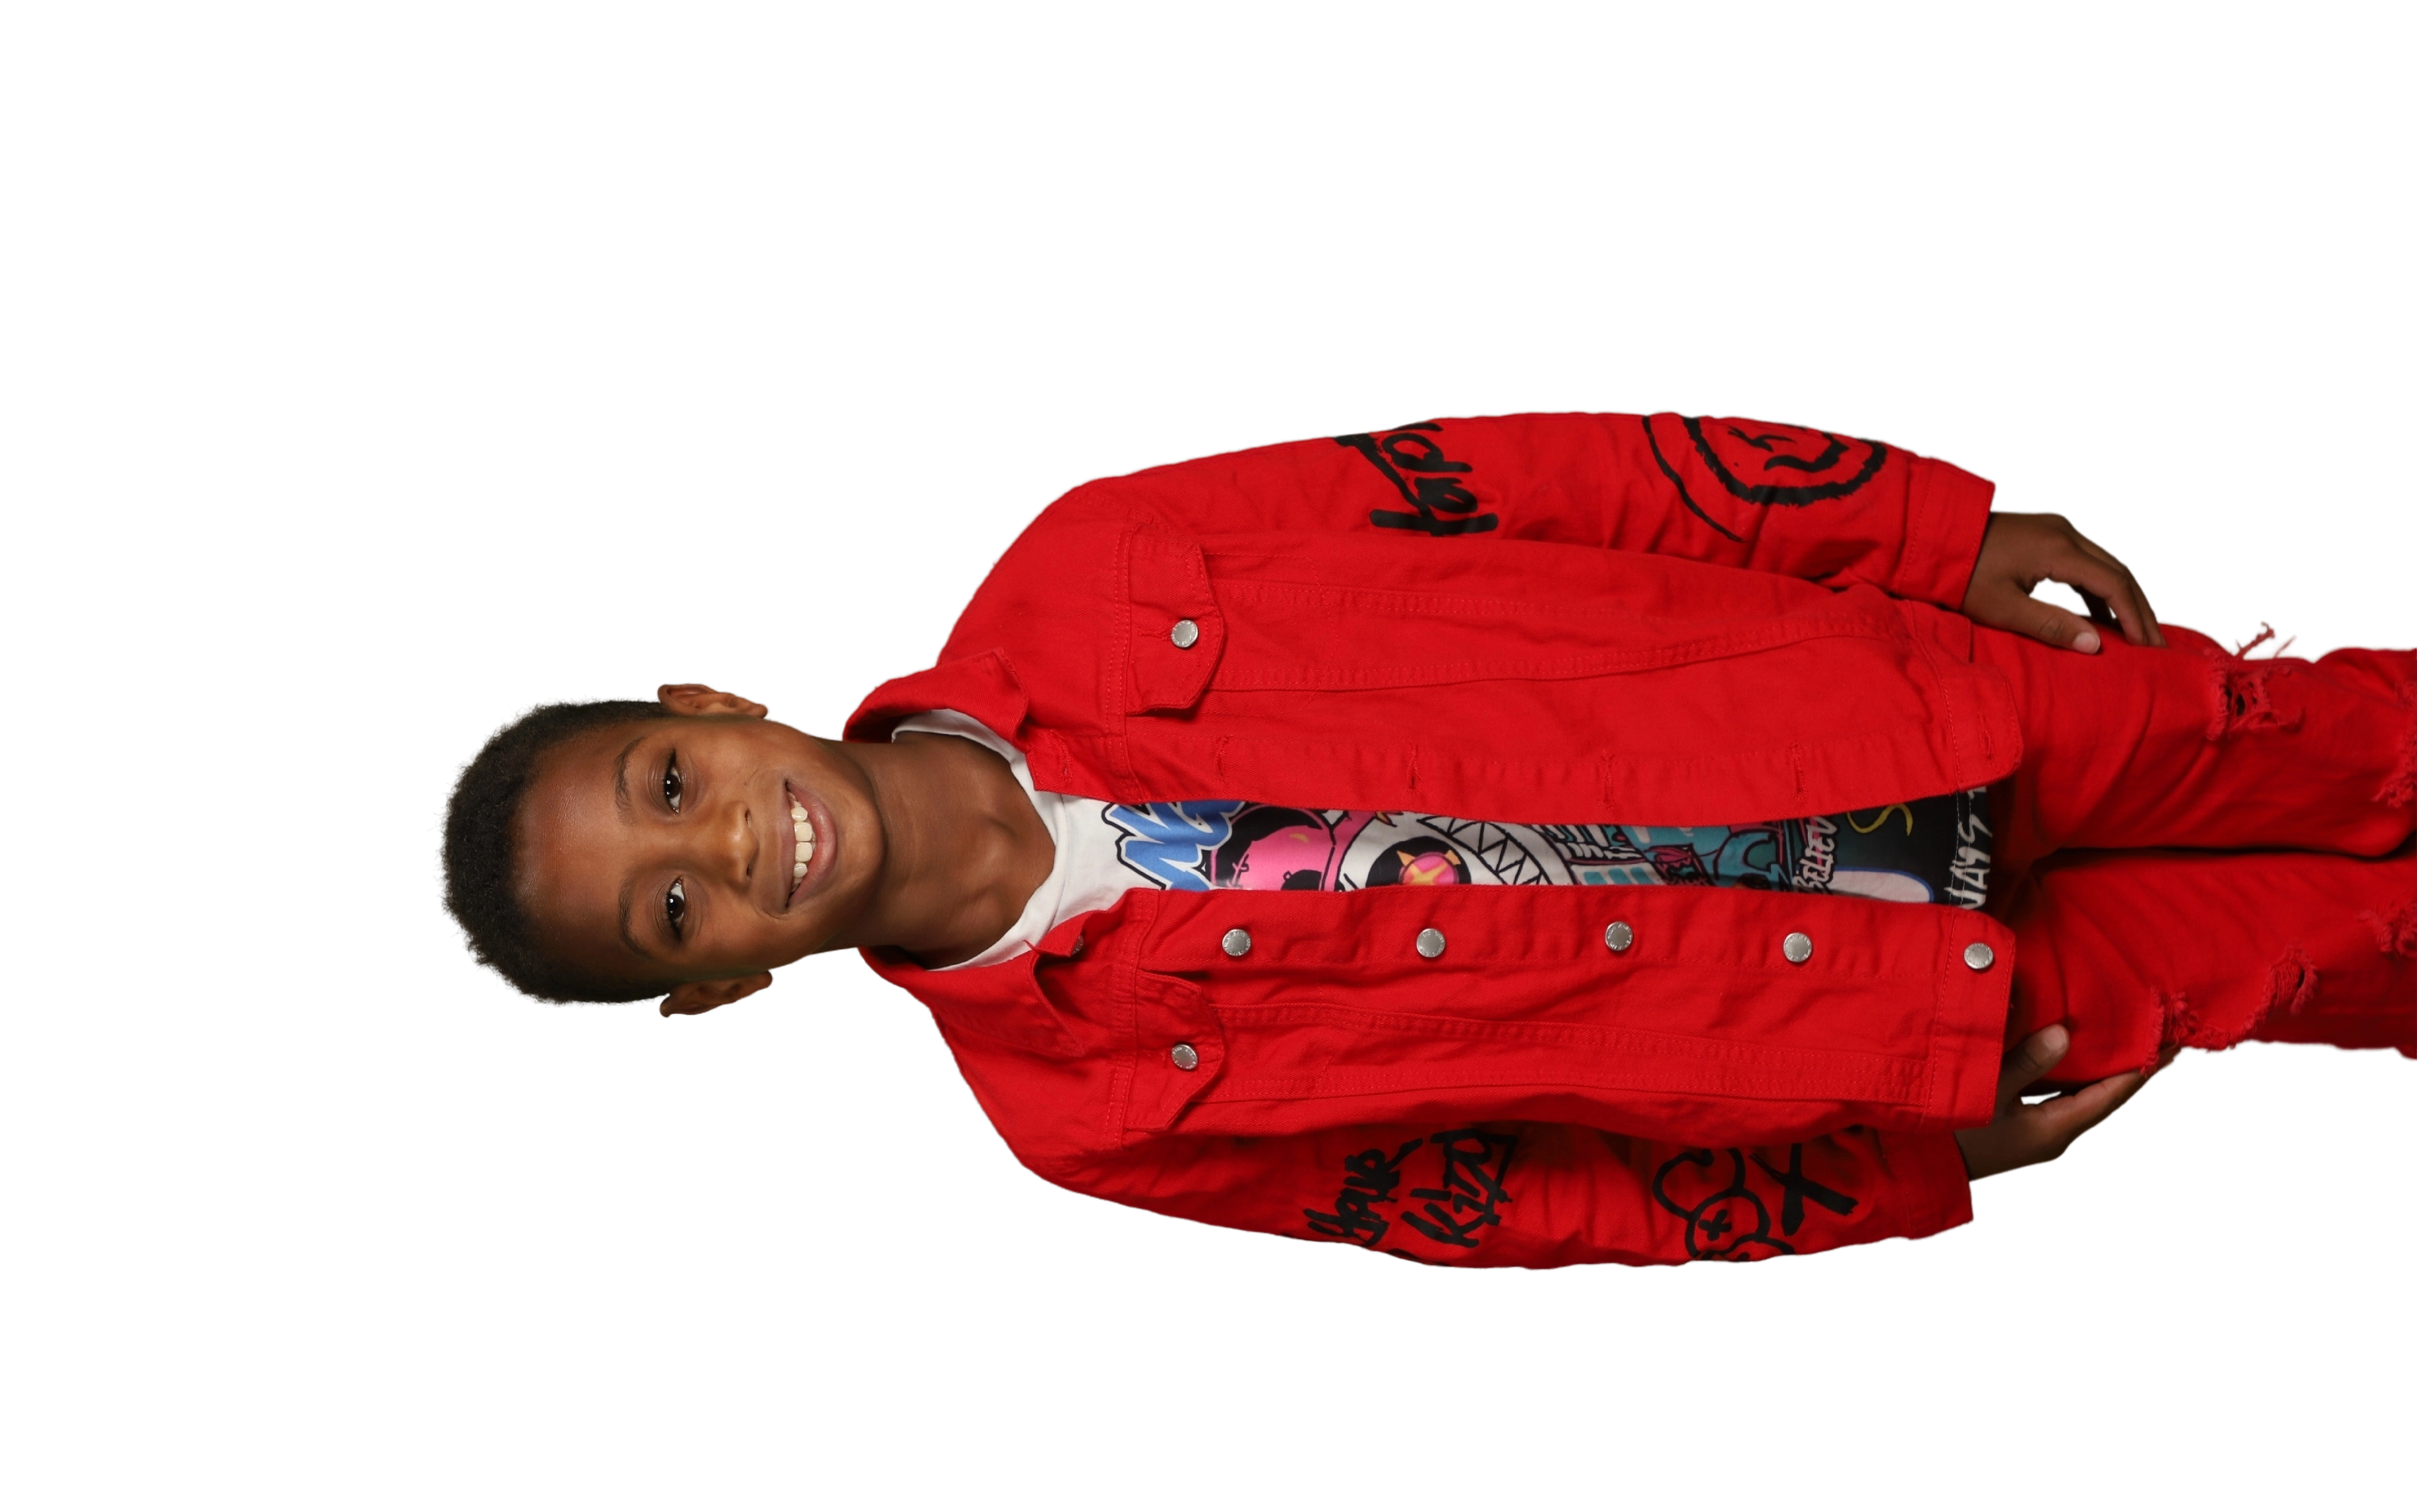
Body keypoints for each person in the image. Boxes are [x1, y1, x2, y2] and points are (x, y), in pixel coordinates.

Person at [429, 409, 2417, 1268]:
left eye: (669, 788)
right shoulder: (1083, 1115)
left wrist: (1923, 531)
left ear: (708, 705)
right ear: (724, 992)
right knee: (2337, 969)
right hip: (1909, 1026)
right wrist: (1891, 1176)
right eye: (671, 914)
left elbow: (1535, 481)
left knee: (2347, 743)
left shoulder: (1101, 552)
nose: (731, 851)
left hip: (1924, 704)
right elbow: (1505, 1204)